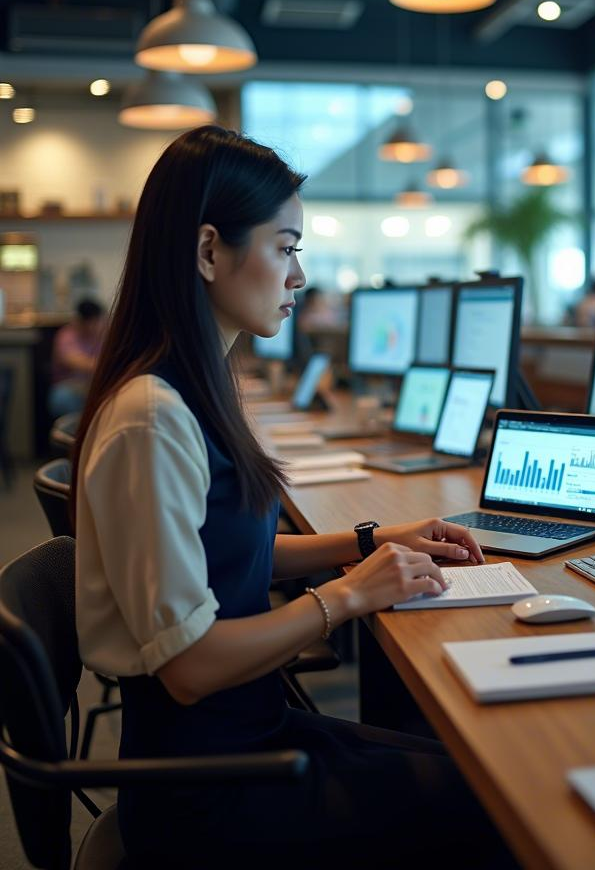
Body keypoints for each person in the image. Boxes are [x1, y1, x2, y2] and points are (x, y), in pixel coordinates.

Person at [72, 126, 513, 868]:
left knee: (476, 765)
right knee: (495, 803)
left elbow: (225, 557)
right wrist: (345, 596)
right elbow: (191, 665)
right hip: (208, 795)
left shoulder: (191, 386)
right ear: (209, 252)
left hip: (249, 738)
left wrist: (373, 543)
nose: (300, 276)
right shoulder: (153, 416)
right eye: (285, 247)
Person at [49, 297, 106, 417]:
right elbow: (76, 362)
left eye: (97, 321)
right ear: (80, 321)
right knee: (62, 398)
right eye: (90, 322)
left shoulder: (105, 335)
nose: (94, 326)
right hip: (70, 386)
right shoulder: (66, 335)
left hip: (95, 386)